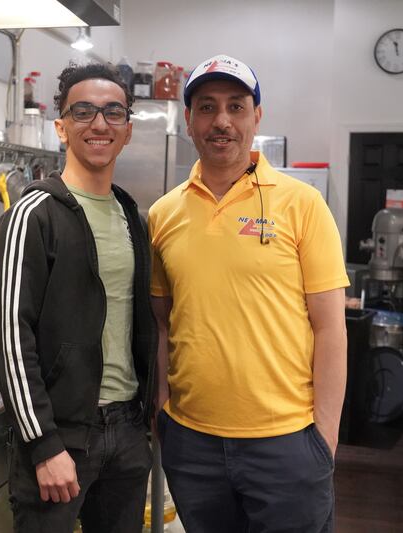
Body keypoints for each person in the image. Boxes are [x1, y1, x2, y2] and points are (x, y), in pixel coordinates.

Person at [148, 54, 349, 532]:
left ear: (257, 116)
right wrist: (161, 411)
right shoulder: (163, 214)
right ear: (189, 120)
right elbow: (162, 323)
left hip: (286, 442)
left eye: (236, 107)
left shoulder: (302, 204)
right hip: (192, 442)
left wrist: (324, 438)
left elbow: (330, 328)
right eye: (207, 107)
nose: (222, 121)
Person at [0, 62, 157, 533]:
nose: (99, 123)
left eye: (112, 113)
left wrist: (147, 416)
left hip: (126, 431)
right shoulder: (32, 214)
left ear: (127, 131)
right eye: (83, 112)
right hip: (61, 439)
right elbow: (8, 336)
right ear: (61, 128)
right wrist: (42, 444)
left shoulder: (131, 216)